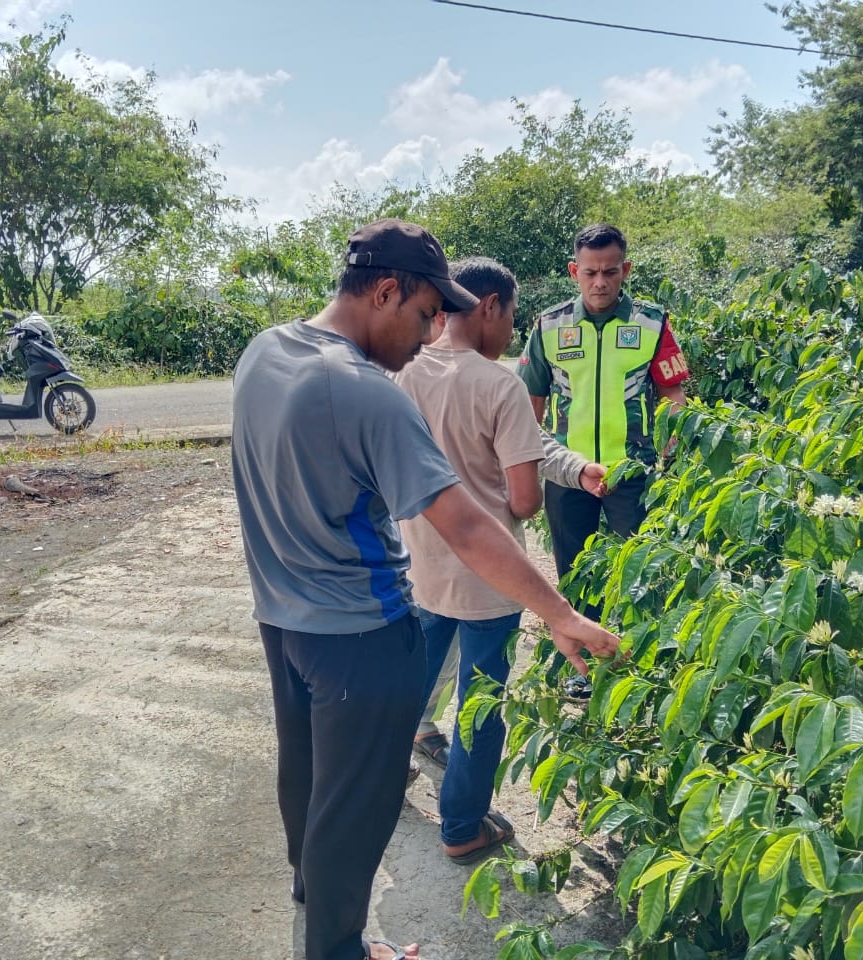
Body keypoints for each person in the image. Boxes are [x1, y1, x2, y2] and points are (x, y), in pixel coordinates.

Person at [230, 219, 622, 960]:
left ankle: (312, 901)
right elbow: (470, 528)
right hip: (361, 636)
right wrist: (562, 615)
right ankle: (340, 948)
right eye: (422, 315)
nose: (428, 333)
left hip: (280, 621)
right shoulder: (364, 393)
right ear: (385, 291)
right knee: (361, 807)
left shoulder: (265, 351)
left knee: (308, 780)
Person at [395, 257, 606, 864]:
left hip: (422, 562)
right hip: (488, 576)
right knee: (481, 704)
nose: (513, 330)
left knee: (415, 682)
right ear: (489, 306)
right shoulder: (499, 383)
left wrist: (571, 464)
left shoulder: (406, 372)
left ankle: (382, 787)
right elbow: (522, 499)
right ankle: (462, 823)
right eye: (511, 314)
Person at [518, 222, 689, 596]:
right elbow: (531, 402)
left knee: (643, 576)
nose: (600, 282)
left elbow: (672, 396)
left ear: (625, 270)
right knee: (575, 577)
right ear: (574, 271)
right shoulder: (549, 325)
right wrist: (527, 468)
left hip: (634, 471)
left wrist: (670, 459)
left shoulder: (652, 323)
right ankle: (581, 648)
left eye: (610, 272)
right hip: (567, 472)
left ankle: (633, 648)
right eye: (590, 272)